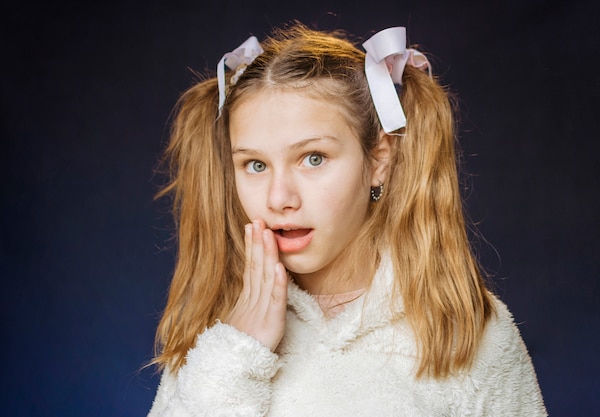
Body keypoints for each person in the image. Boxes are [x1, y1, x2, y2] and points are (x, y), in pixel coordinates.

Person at [147, 23, 547, 416]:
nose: (278, 198)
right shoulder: (216, 334)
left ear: (379, 160)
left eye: (313, 159)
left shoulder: (464, 331)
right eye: (255, 164)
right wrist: (238, 350)